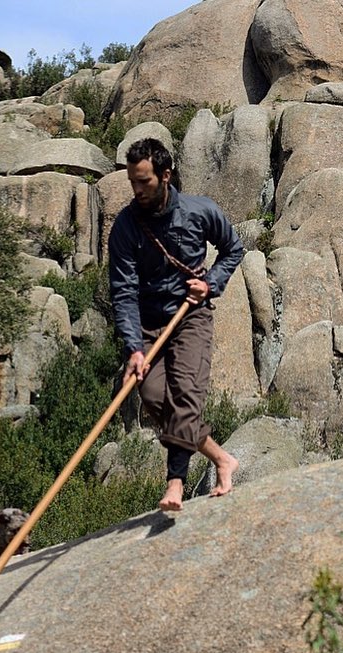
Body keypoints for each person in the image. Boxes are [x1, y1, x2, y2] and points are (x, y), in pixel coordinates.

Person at [108, 137, 243, 511]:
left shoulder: (200, 211)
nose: (137, 190)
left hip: (190, 317)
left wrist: (211, 282)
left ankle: (175, 483)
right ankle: (222, 459)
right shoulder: (125, 226)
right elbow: (123, 290)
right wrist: (135, 348)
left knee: (185, 394)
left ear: (166, 176)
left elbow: (234, 248)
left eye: (144, 182)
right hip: (149, 326)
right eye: (133, 182)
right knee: (152, 397)